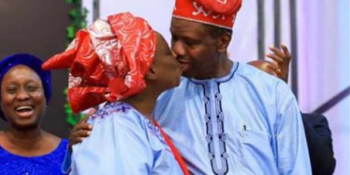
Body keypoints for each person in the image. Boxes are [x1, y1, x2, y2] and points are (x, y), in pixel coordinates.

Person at [67, 0, 312, 174]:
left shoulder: (270, 92)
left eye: (190, 42)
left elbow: (295, 166)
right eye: (174, 37)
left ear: (222, 42)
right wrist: (78, 145)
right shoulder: (159, 94)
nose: (178, 50)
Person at [42, 12, 189, 175]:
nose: (176, 54)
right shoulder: (117, 127)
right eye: (168, 53)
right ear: (151, 71)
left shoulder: (131, 121)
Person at [248, 48, 336, 175]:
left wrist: (284, 100)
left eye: (267, 86)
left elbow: (324, 168)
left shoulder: (314, 122)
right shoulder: (230, 123)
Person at [0, 54, 68, 175]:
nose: (22, 96)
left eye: (31, 88)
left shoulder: (69, 154)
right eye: (11, 90)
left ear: (45, 97)